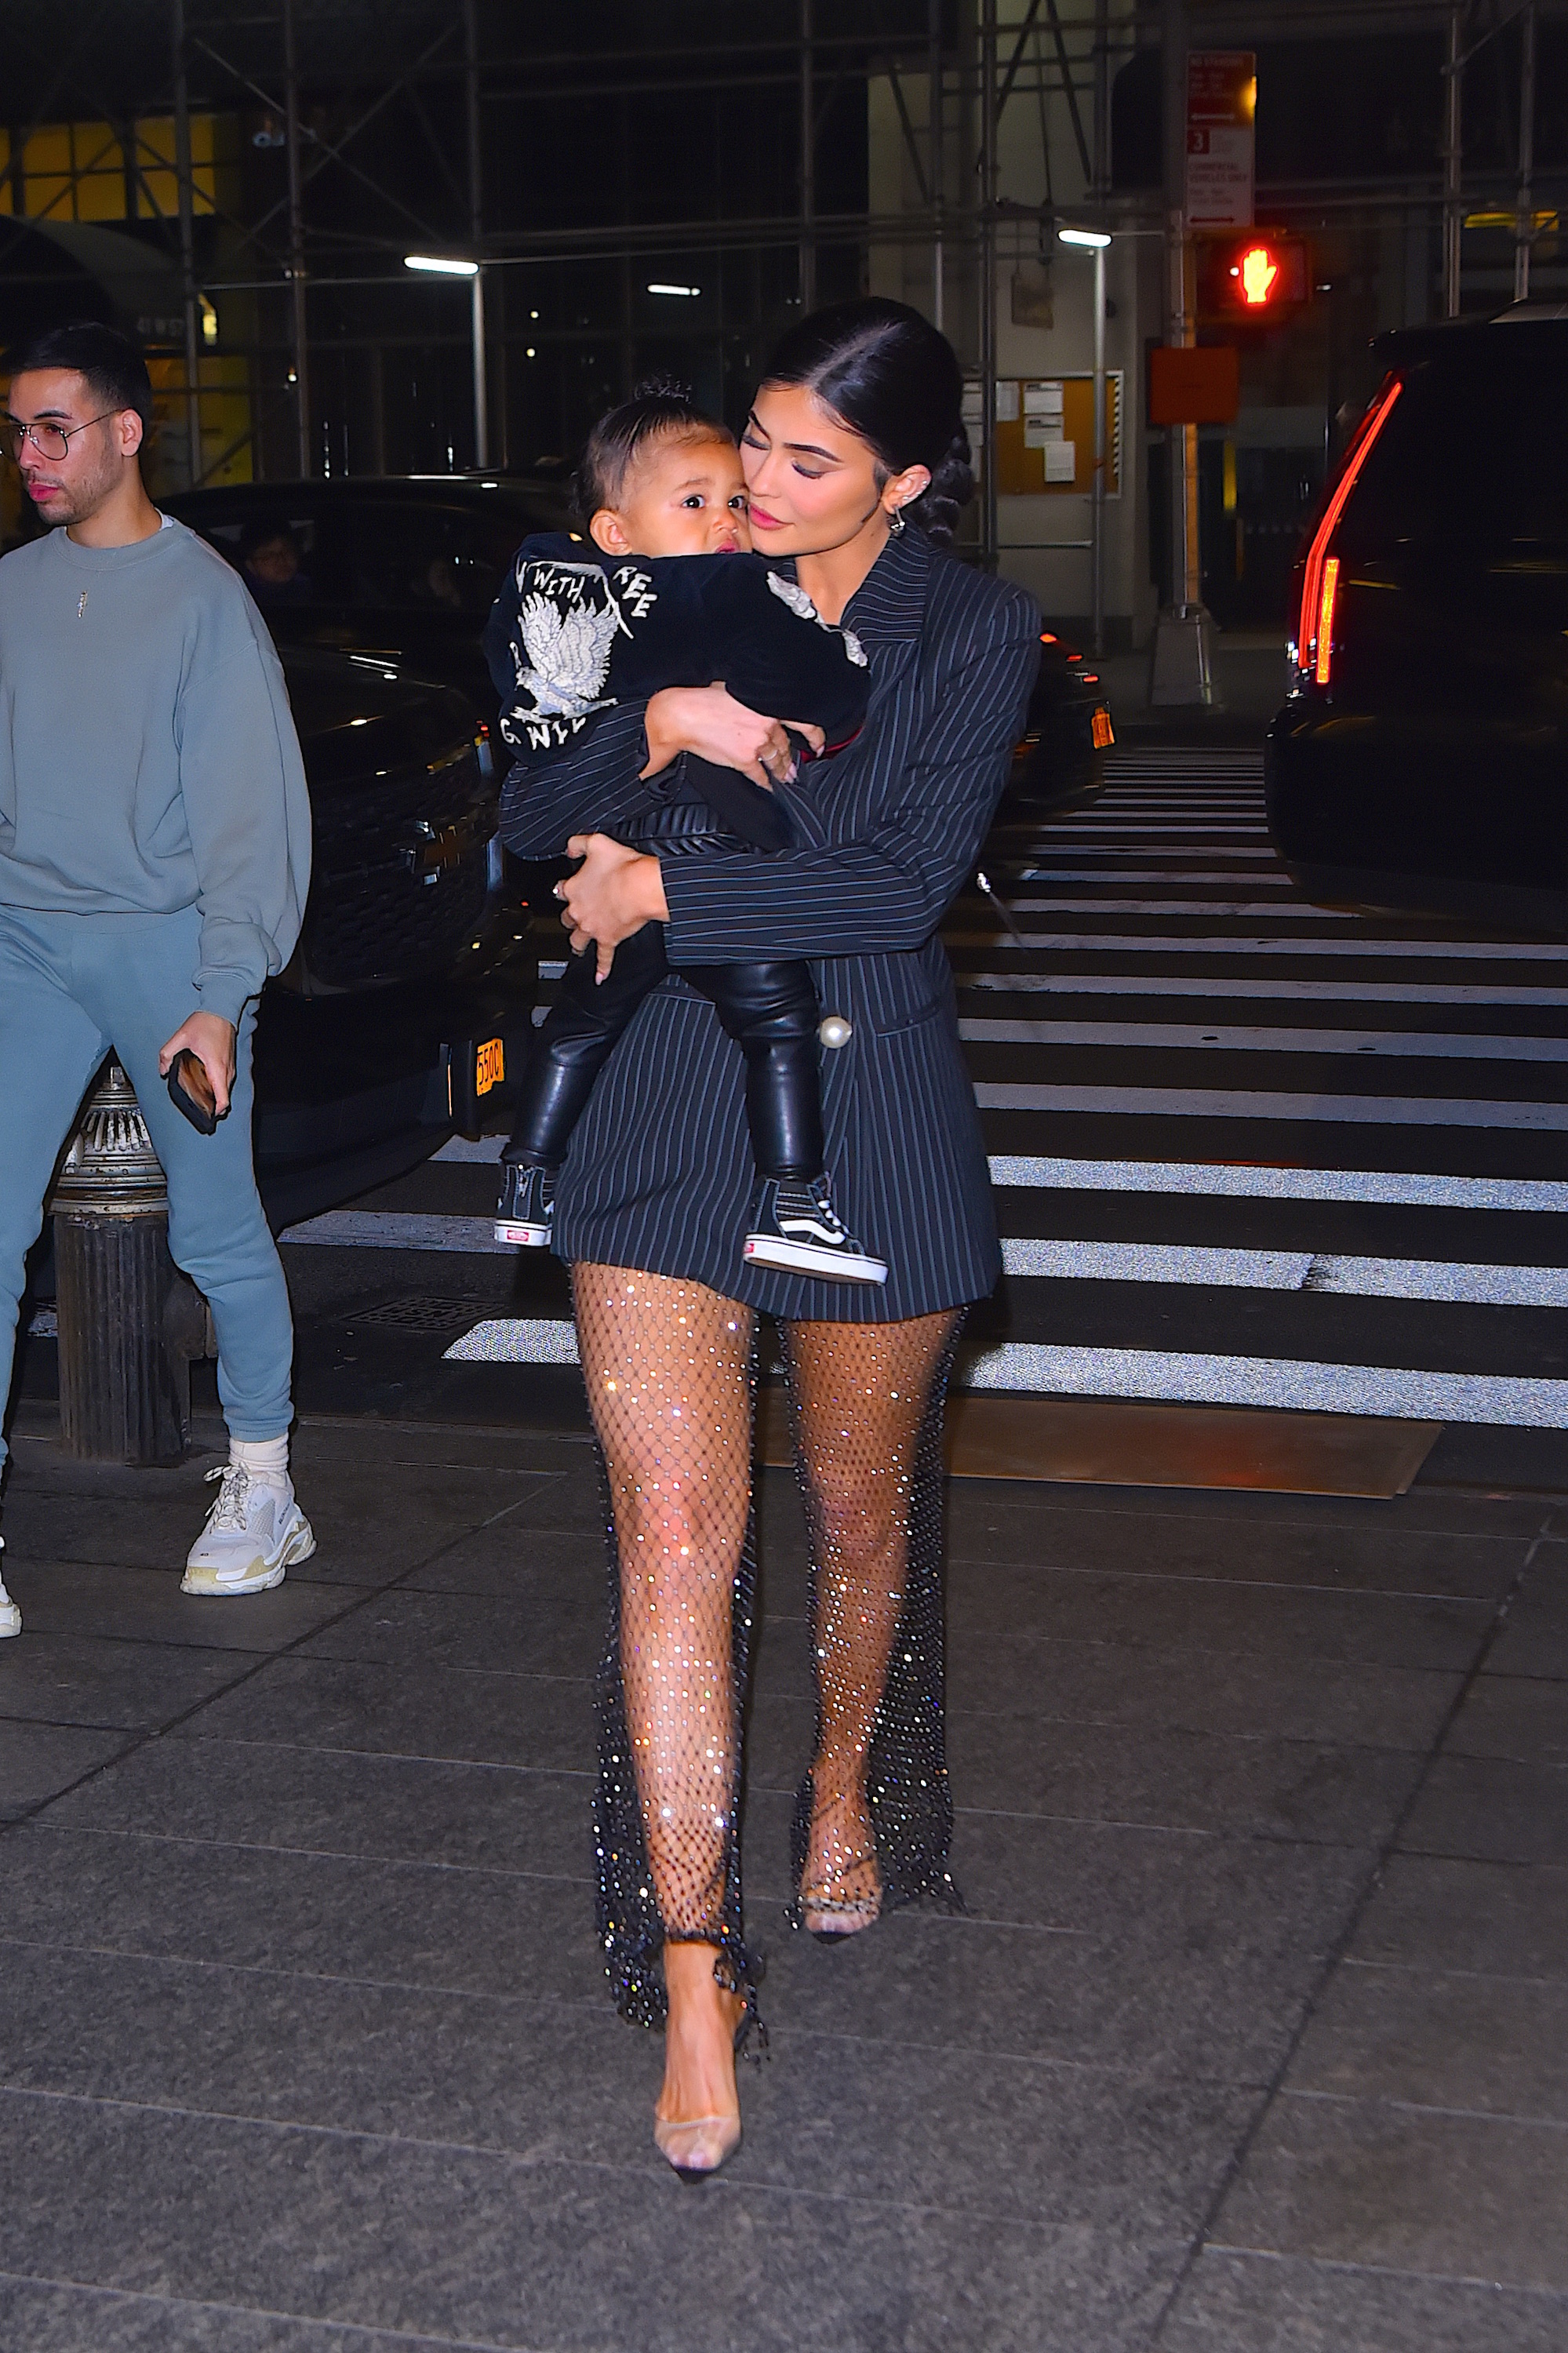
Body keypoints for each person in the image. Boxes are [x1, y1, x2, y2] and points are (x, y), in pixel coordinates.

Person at [499, 298, 1041, 2179]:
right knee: (670, 1531)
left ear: (904, 480)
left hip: (866, 1098)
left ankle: (836, 1776)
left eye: (812, 464)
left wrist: (676, 877)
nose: (766, 489)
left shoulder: (969, 631)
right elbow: (529, 806)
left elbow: (897, 878)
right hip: (655, 1094)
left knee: (857, 1513)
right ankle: (697, 1961)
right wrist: (641, 719)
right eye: (755, 443)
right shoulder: (653, 566)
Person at [0, 322, 315, 1638]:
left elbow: (252, 812)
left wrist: (222, 985)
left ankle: (262, 1481)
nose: (31, 454)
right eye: (16, 429)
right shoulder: (12, 589)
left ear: (126, 434)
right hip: (25, 942)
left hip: (170, 946)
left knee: (216, 1225)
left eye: (54, 426)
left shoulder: (202, 600)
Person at [486, 380, 882, 1282]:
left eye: (732, 502)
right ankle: (793, 1199)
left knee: (582, 1021)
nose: (726, 521)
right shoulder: (712, 597)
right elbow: (532, 809)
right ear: (615, 531)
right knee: (777, 1023)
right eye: (696, 503)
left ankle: (525, 1174)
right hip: (705, 859)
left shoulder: (575, 608)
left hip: (628, 869)